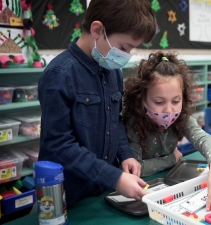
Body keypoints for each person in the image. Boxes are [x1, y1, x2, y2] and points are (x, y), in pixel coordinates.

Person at [37, 0, 156, 207]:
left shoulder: (112, 72)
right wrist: (114, 177)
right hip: (68, 197)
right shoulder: (59, 75)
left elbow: (115, 121)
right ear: (97, 30)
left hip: (103, 191)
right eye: (123, 47)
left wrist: (125, 155)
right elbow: (58, 145)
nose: (126, 56)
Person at [122, 52, 211, 212]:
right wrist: (172, 158)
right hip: (143, 195)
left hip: (170, 186)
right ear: (142, 98)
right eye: (159, 102)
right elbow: (136, 170)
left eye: (176, 101)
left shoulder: (182, 117)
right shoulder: (134, 122)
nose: (169, 109)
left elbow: (204, 139)